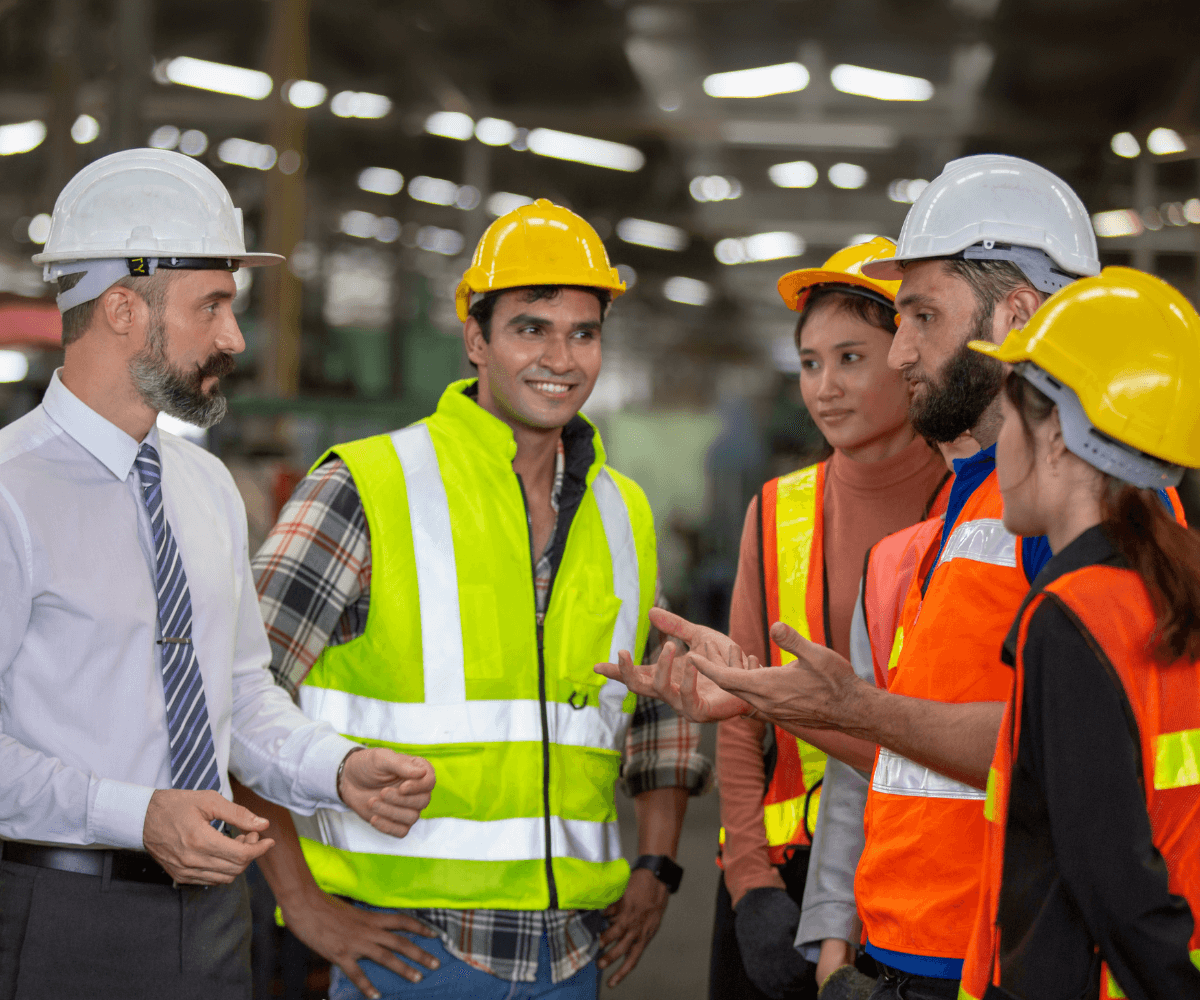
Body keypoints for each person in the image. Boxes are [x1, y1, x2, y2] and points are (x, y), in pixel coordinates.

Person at [598, 154, 1175, 999]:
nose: (901, 351)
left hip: (1006, 956)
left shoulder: (1086, 502)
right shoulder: (964, 509)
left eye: (919, 316)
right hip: (916, 950)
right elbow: (910, 749)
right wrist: (769, 698)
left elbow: (1057, 751)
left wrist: (838, 706)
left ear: (1017, 313)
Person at [239, 198, 711, 1000]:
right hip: (412, 954)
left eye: (584, 332)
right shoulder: (365, 487)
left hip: (571, 956)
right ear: (475, 339)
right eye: (531, 327)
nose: (560, 356)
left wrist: (657, 864)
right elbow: (235, 694)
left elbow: (660, 707)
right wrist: (305, 907)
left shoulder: (619, 510)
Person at [0, 148, 435, 1000]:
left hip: (212, 921)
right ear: (123, 307)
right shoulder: (11, 492)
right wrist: (134, 814)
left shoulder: (206, 487)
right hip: (54, 919)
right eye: (214, 306)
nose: (235, 338)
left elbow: (239, 694)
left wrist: (333, 768)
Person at [711, 238, 952, 1000]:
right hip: (777, 876)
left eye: (851, 357)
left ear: (910, 352)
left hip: (913, 871)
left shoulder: (975, 510)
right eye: (810, 363)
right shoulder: (778, 510)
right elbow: (740, 708)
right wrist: (750, 885)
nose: (825, 388)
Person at [958, 267, 1200, 1000]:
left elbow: (1113, 882)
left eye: (1006, 420)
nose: (995, 455)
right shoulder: (1165, 590)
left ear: (1057, 435)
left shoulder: (1072, 618)